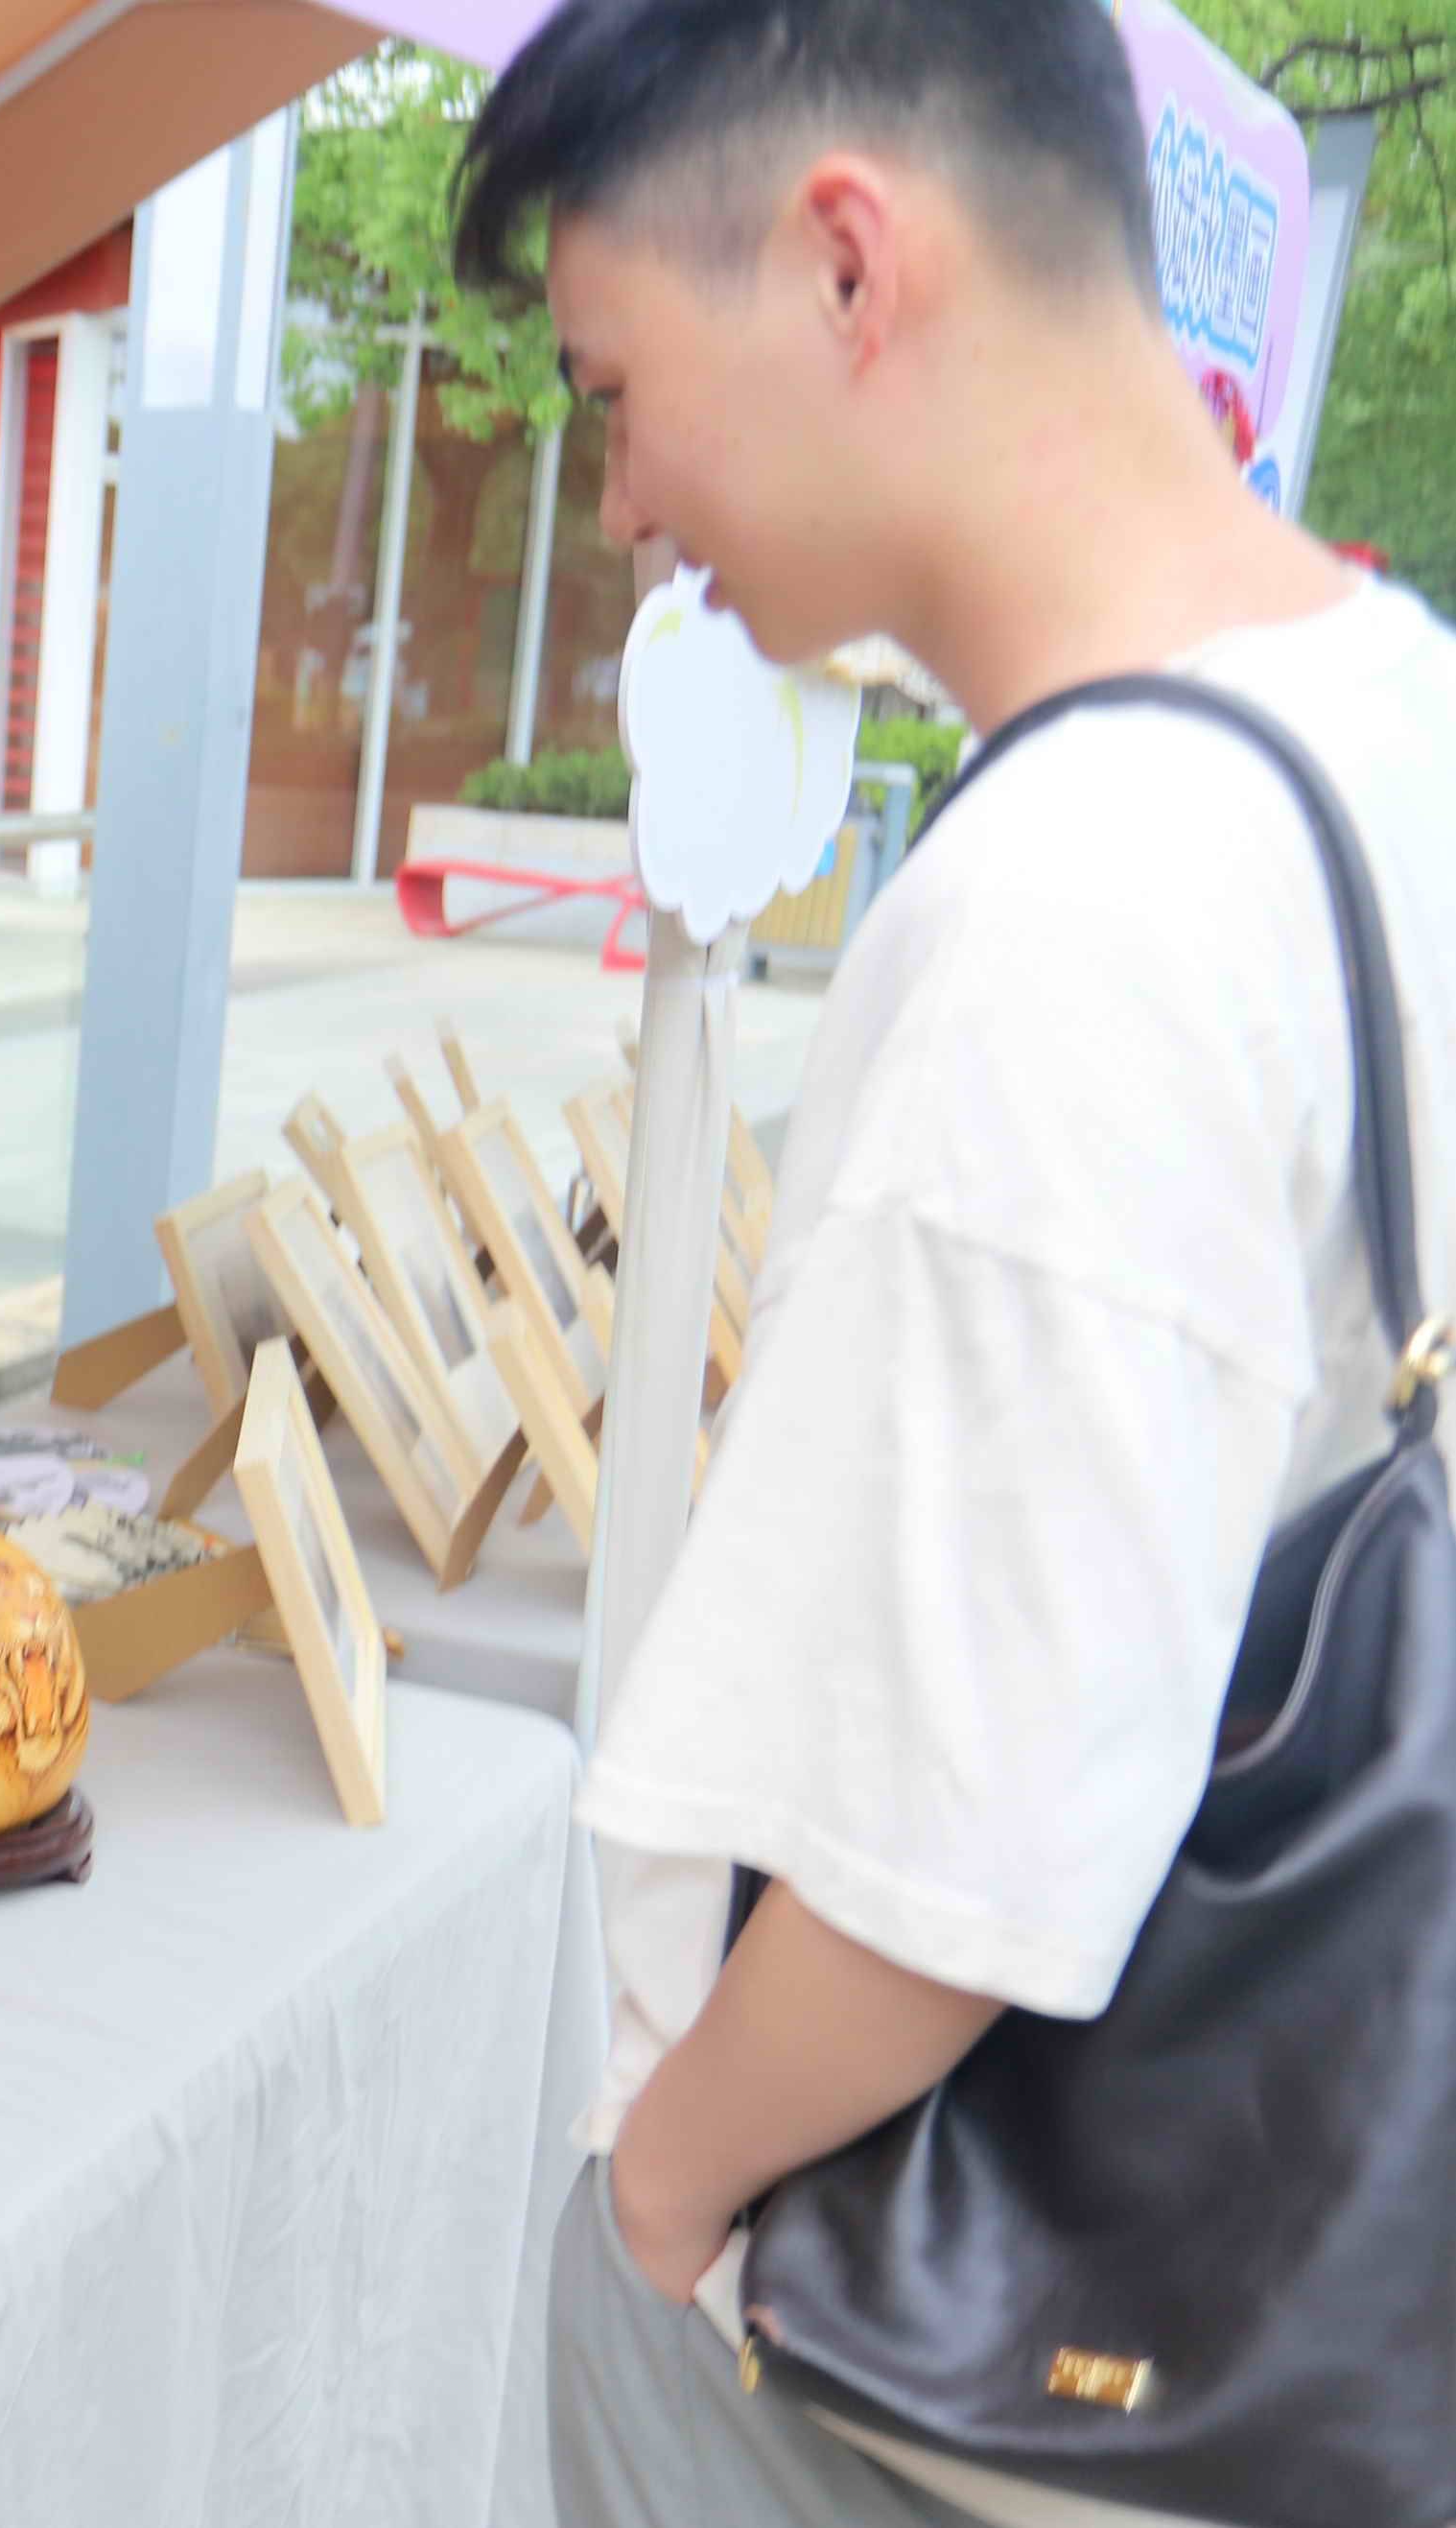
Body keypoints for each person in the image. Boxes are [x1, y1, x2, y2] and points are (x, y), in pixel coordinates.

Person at [455, 5, 1456, 2522]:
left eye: (613, 386)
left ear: (840, 264)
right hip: (1281, 2290)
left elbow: (950, 1850)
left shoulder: (1077, 913)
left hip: (930, 2360)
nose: (621, 505)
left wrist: (660, 2197)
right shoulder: (1390, 718)